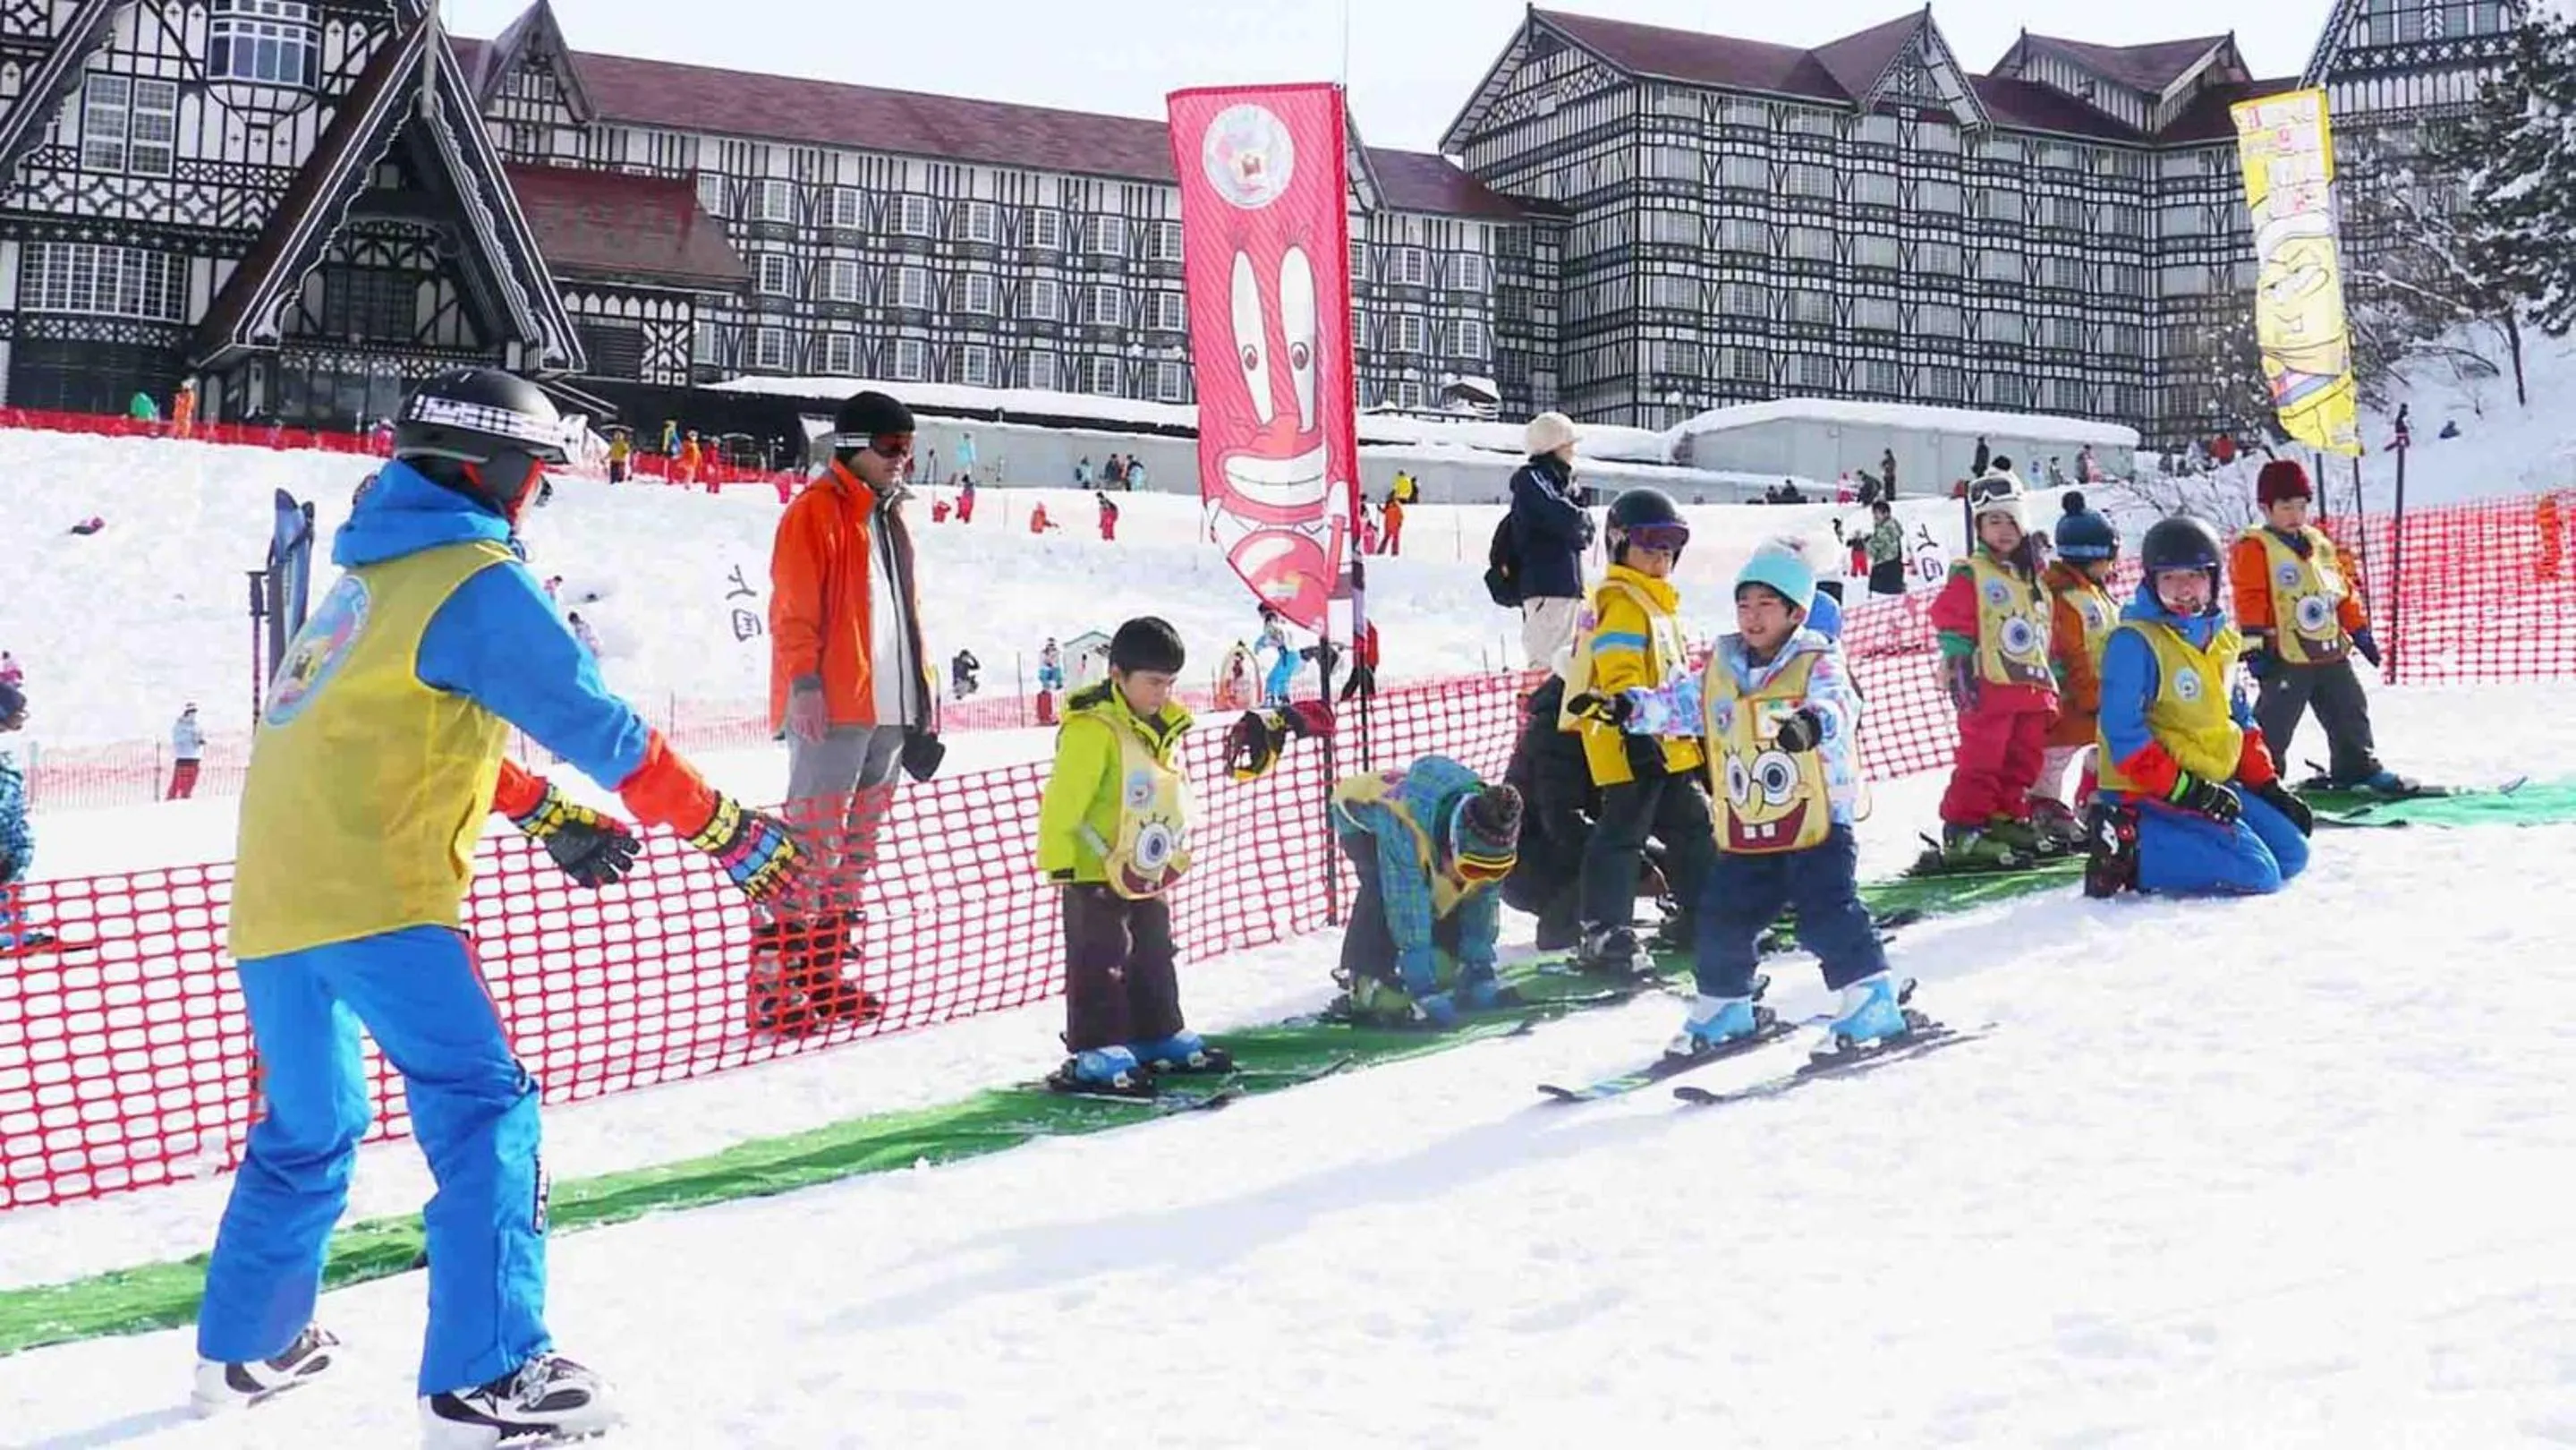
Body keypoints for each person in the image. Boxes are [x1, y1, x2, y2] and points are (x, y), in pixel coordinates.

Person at [191, 366, 806, 1442]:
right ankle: (485, 1374)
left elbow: (388, 734)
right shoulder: (473, 578)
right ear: (501, 470)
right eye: (538, 479)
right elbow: (596, 721)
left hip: (277, 901)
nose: (536, 500)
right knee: (484, 1112)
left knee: (311, 1124)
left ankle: (248, 1345)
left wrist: (532, 811)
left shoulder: (366, 583)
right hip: (381, 898)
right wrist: (720, 825)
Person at [1571, 542, 1917, 1057]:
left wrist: (1811, 723)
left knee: (1826, 912)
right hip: (1750, 822)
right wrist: (1624, 708)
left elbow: (1836, 703)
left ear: (1795, 612)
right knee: (1725, 913)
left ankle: (1870, 998)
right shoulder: (1723, 667)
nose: (1752, 617)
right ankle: (1725, 1001)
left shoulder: (1816, 659)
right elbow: (1680, 704)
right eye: (1744, 604)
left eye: (1766, 605)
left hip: (1814, 821)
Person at [765, 389, 940, 1033]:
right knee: (810, 844)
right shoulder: (814, 514)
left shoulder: (890, 518)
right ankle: (775, 981)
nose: (902, 460)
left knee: (856, 854)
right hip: (834, 702)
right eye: (891, 447)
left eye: (909, 448)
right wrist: (803, 682)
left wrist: (921, 707)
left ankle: (823, 974)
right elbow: (793, 608)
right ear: (850, 447)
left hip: (888, 709)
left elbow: (906, 619)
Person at [1035, 618, 1225, 1093]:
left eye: (1169, 683)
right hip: (1091, 863)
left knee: (1153, 948)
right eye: (1153, 682)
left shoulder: (1159, 726)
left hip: (1143, 863)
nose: (1162, 693)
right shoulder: (1092, 729)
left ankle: (1157, 1029)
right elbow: (1064, 800)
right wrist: (1059, 859)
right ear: (1117, 675)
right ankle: (1097, 1046)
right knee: (1101, 955)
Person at [2087, 516, 2314, 898]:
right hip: (2148, 792)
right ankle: (2128, 849)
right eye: (2169, 578)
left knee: (2293, 855)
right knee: (2259, 874)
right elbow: (2123, 734)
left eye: (2193, 575)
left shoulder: (2220, 638)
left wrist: (2267, 785)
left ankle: (2183, 837)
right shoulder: (2135, 642)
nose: (2183, 589)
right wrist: (2186, 790)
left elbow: (2239, 720)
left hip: (2209, 782)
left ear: (2213, 579)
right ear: (2151, 581)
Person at [1560, 487, 1715, 975]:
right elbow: (1619, 670)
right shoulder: (1623, 602)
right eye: (1650, 546)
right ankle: (1603, 930)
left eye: (1670, 548)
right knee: (1622, 833)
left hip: (1668, 743)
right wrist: (1633, 727)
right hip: (1630, 741)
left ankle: (1701, 912)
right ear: (1620, 544)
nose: (1661, 557)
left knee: (1694, 826)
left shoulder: (1657, 603)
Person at [2231, 459, 2405, 792]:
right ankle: (2261, 776)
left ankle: (2356, 765)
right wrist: (2253, 646)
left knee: (2349, 706)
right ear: (2266, 508)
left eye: (2301, 506)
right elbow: (2249, 597)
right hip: (2285, 652)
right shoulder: (2255, 547)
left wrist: (2358, 630)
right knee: (2275, 719)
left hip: (2328, 647)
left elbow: (2339, 588)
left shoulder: (2318, 542)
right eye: (2285, 507)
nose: (2295, 514)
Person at [1928, 470, 2060, 867]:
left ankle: (2004, 816)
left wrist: (2056, 673)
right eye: (1993, 521)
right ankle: (1964, 828)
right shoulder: (1973, 572)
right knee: (1983, 757)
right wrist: (1956, 658)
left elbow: (2043, 631)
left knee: (2023, 757)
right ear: (1979, 527)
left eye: (2010, 520)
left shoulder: (2032, 579)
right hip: (1988, 684)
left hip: (2031, 685)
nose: (2003, 530)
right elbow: (1953, 617)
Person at [1331, 756, 1524, 1026]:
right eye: (1473, 868)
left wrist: (1478, 964)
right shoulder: (1405, 828)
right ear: (1452, 844)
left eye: (1494, 870)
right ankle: (1365, 977)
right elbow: (1406, 903)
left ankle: (1443, 957)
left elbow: (1484, 901)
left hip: (1430, 831)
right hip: (1365, 821)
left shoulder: (1491, 832)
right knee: (1383, 889)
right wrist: (1422, 985)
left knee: (1447, 913)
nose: (1482, 879)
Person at [2030, 493, 2121, 846]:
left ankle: (2094, 796)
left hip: (2099, 696)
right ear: (2092, 558)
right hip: (2072, 699)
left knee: (2113, 745)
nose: (2113, 565)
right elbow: (2072, 652)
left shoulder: (2093, 592)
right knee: (2054, 755)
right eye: (2109, 558)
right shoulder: (2066, 597)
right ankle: (2043, 807)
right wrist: (2090, 695)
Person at [1508, 412, 1593, 671]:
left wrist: (1580, 522)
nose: (1573, 452)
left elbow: (1584, 529)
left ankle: (1552, 711)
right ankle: (1536, 711)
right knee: (1546, 662)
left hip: (1567, 586)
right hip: (1547, 586)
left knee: (1566, 664)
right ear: (1553, 446)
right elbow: (1567, 518)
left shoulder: (1563, 482)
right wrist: (1579, 521)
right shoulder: (1532, 478)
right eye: (1569, 446)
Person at [0, 682, 43, 954]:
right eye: (17, 713)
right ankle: (7, 935)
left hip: (12, 841)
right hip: (5, 841)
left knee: (12, 885)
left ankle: (15, 930)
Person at [1257, 605, 1297, 706]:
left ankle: (1270, 700)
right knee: (1283, 678)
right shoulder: (1282, 620)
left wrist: (1263, 643)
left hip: (1286, 653)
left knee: (1273, 678)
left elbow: (1275, 638)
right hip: (1294, 654)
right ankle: (1284, 699)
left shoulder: (1270, 622)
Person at [1864, 500, 1906, 597]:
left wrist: (1867, 543)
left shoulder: (1885, 529)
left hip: (1884, 568)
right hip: (1894, 567)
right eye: (1874, 513)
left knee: (1882, 600)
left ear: (1886, 513)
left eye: (1877, 513)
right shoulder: (1893, 525)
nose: (1874, 517)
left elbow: (1874, 548)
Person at [168, 703, 204, 801]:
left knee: (191, 783)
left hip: (195, 757)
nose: (193, 714)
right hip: (183, 758)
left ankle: (184, 799)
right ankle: (175, 801)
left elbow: (199, 737)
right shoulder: (179, 726)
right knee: (181, 785)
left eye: (194, 711)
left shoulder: (197, 726)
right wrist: (190, 738)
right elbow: (177, 740)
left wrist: (199, 741)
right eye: (190, 712)